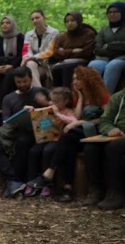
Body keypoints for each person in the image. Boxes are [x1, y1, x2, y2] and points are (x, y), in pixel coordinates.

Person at [22, 66, 109, 203]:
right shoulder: (76, 96)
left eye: (78, 79)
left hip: (96, 130)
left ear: (88, 80)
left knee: (68, 135)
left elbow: (106, 119)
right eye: (74, 79)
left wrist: (81, 122)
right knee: (68, 145)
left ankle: (49, 172)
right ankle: (67, 187)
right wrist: (80, 97)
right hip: (79, 133)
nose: (75, 82)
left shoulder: (101, 95)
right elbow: (78, 115)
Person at [0, 67, 50, 197]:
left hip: (36, 132)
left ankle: (15, 181)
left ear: (31, 79)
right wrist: (20, 115)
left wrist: (45, 103)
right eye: (19, 82)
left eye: (25, 81)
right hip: (14, 131)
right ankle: (13, 180)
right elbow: (6, 122)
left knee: (23, 142)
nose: (23, 84)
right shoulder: (9, 98)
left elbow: (56, 109)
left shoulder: (41, 92)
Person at [22, 87, 77, 198]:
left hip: (58, 140)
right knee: (33, 152)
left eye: (57, 101)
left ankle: (48, 184)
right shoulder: (49, 108)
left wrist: (58, 114)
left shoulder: (67, 111)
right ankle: (32, 181)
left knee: (48, 151)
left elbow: (74, 121)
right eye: (53, 100)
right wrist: (31, 109)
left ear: (66, 100)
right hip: (45, 138)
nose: (54, 103)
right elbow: (36, 113)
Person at [82, 86, 125, 210]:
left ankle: (116, 193)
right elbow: (105, 120)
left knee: (113, 148)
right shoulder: (118, 97)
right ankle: (96, 189)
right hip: (118, 135)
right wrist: (110, 129)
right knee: (91, 147)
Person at [37, 11, 96, 88]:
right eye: (67, 21)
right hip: (63, 62)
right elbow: (55, 53)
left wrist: (64, 51)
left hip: (83, 61)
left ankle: (67, 93)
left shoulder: (88, 33)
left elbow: (86, 52)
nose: (69, 23)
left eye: (72, 20)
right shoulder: (62, 37)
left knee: (65, 68)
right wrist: (72, 51)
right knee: (57, 68)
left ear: (78, 21)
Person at [0, 15, 25, 105]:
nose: (4, 25)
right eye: (2, 23)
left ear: (12, 24)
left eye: (7, 23)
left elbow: (21, 55)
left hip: (14, 65)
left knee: (10, 75)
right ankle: (7, 99)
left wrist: (11, 66)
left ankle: (1, 100)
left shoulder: (20, 37)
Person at [88, 1, 125, 93]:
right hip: (105, 59)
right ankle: (92, 100)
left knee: (113, 65)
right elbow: (98, 49)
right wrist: (118, 48)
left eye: (116, 12)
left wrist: (108, 46)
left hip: (122, 59)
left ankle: (106, 100)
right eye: (110, 12)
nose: (112, 14)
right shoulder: (104, 30)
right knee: (93, 65)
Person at [20, 10, 60, 87]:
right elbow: (26, 51)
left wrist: (33, 57)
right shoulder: (28, 34)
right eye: (32, 19)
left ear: (44, 18)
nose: (35, 20)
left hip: (49, 64)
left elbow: (50, 51)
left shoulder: (54, 32)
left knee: (29, 66)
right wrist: (27, 58)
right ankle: (38, 91)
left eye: (37, 18)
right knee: (29, 64)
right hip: (34, 64)